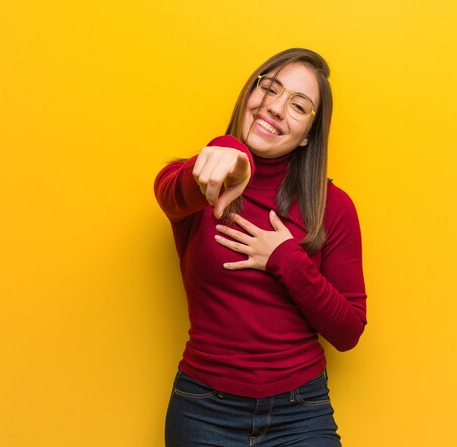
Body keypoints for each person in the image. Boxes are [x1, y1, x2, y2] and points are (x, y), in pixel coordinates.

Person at [154, 48, 367, 447]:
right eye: (270, 88)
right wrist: (223, 149)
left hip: (300, 410)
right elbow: (169, 195)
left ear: (308, 135)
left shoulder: (333, 207)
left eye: (298, 105)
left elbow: (349, 330)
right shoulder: (198, 183)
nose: (275, 107)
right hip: (203, 410)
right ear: (248, 94)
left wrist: (285, 259)